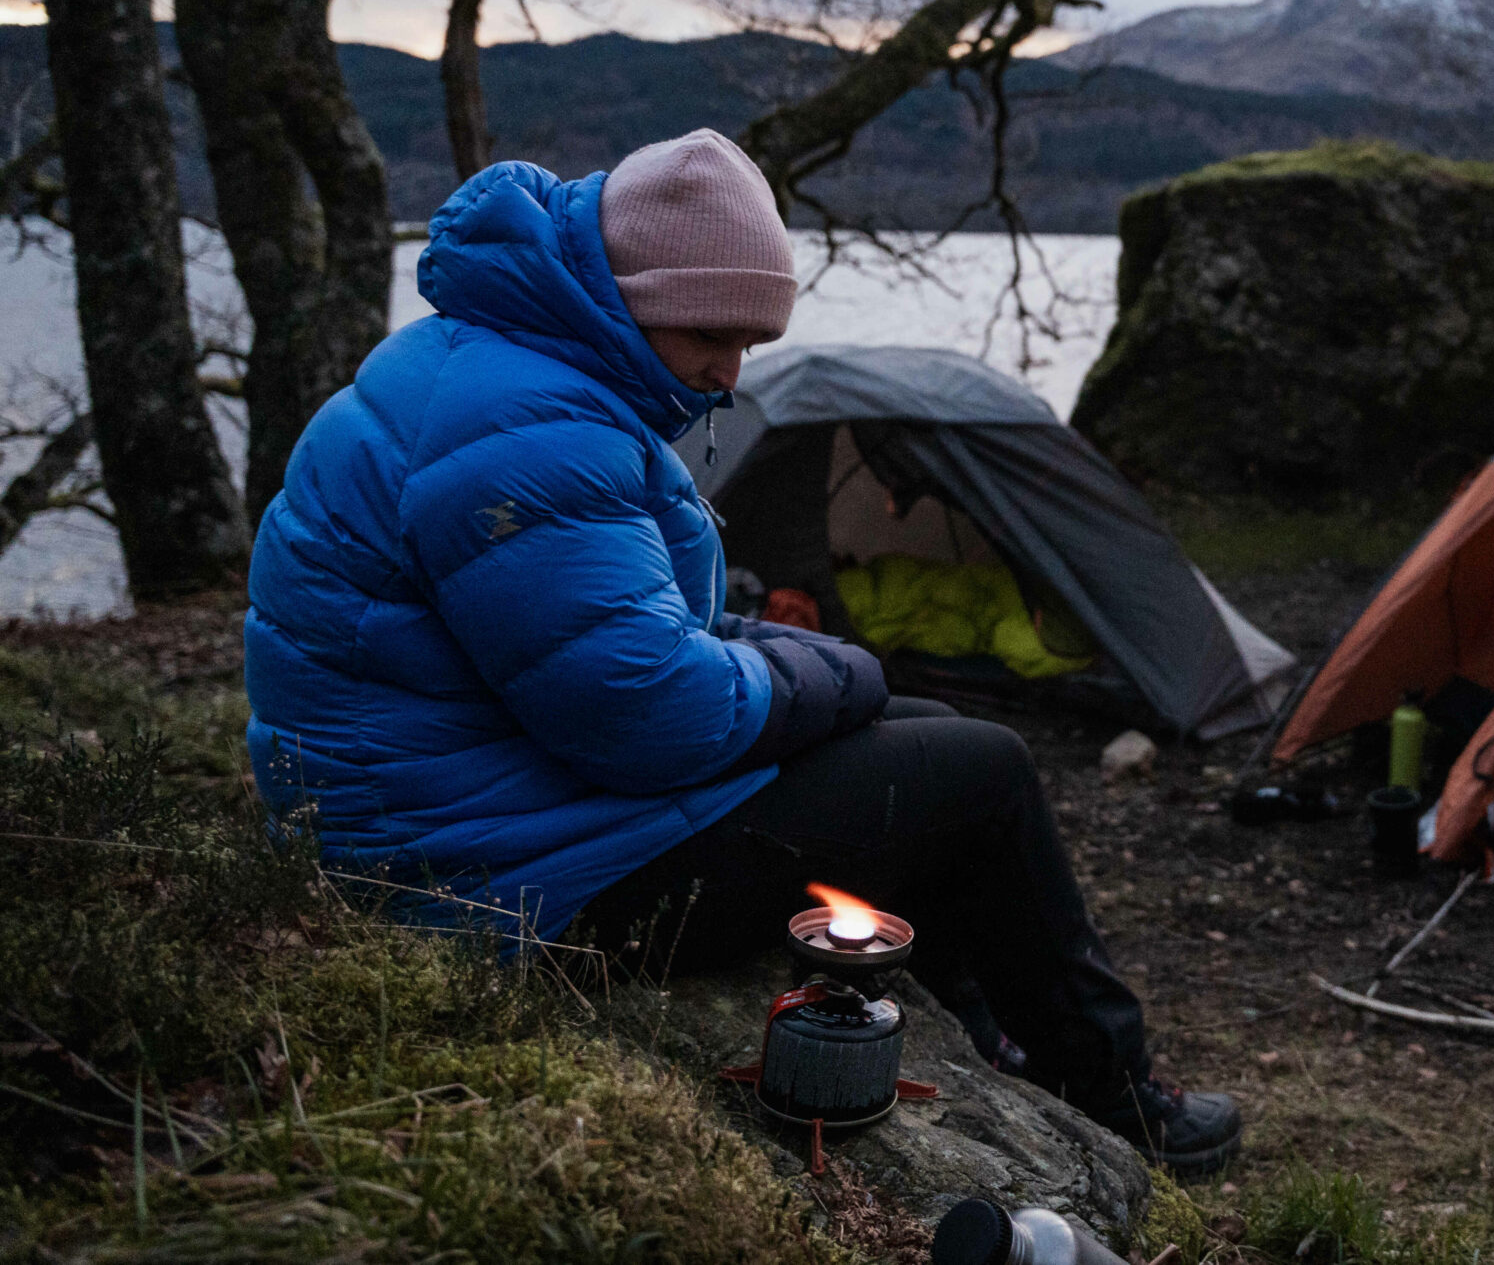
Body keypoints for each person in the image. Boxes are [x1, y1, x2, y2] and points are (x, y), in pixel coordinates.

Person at [241, 130, 1241, 1173]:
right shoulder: (531, 426)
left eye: (752, 341)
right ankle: (1114, 1095)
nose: (727, 372)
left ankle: (998, 1036)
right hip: (482, 886)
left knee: (930, 741)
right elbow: (648, 717)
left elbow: (621, 630)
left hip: (469, 814)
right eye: (710, 333)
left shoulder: (503, 363)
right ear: (627, 293)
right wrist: (840, 670)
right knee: (978, 772)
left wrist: (801, 664)